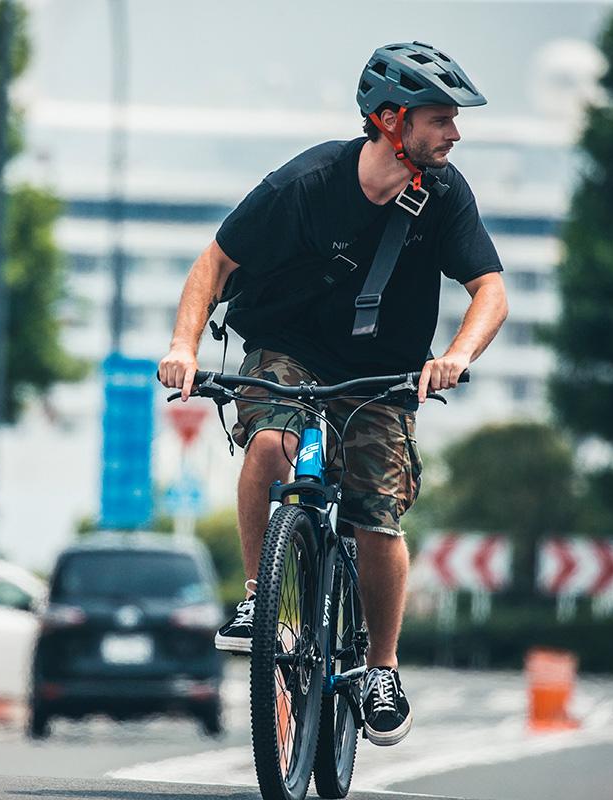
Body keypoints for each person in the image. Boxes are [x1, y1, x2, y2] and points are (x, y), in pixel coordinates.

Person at [157, 41, 508, 747]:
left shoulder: (445, 197)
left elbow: (490, 291)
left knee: (377, 517)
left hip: (383, 375)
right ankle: (259, 603)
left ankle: (382, 669)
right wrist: (184, 347)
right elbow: (215, 263)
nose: (454, 133)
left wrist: (456, 356)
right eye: (440, 119)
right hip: (287, 352)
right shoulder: (306, 183)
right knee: (271, 443)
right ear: (391, 119)